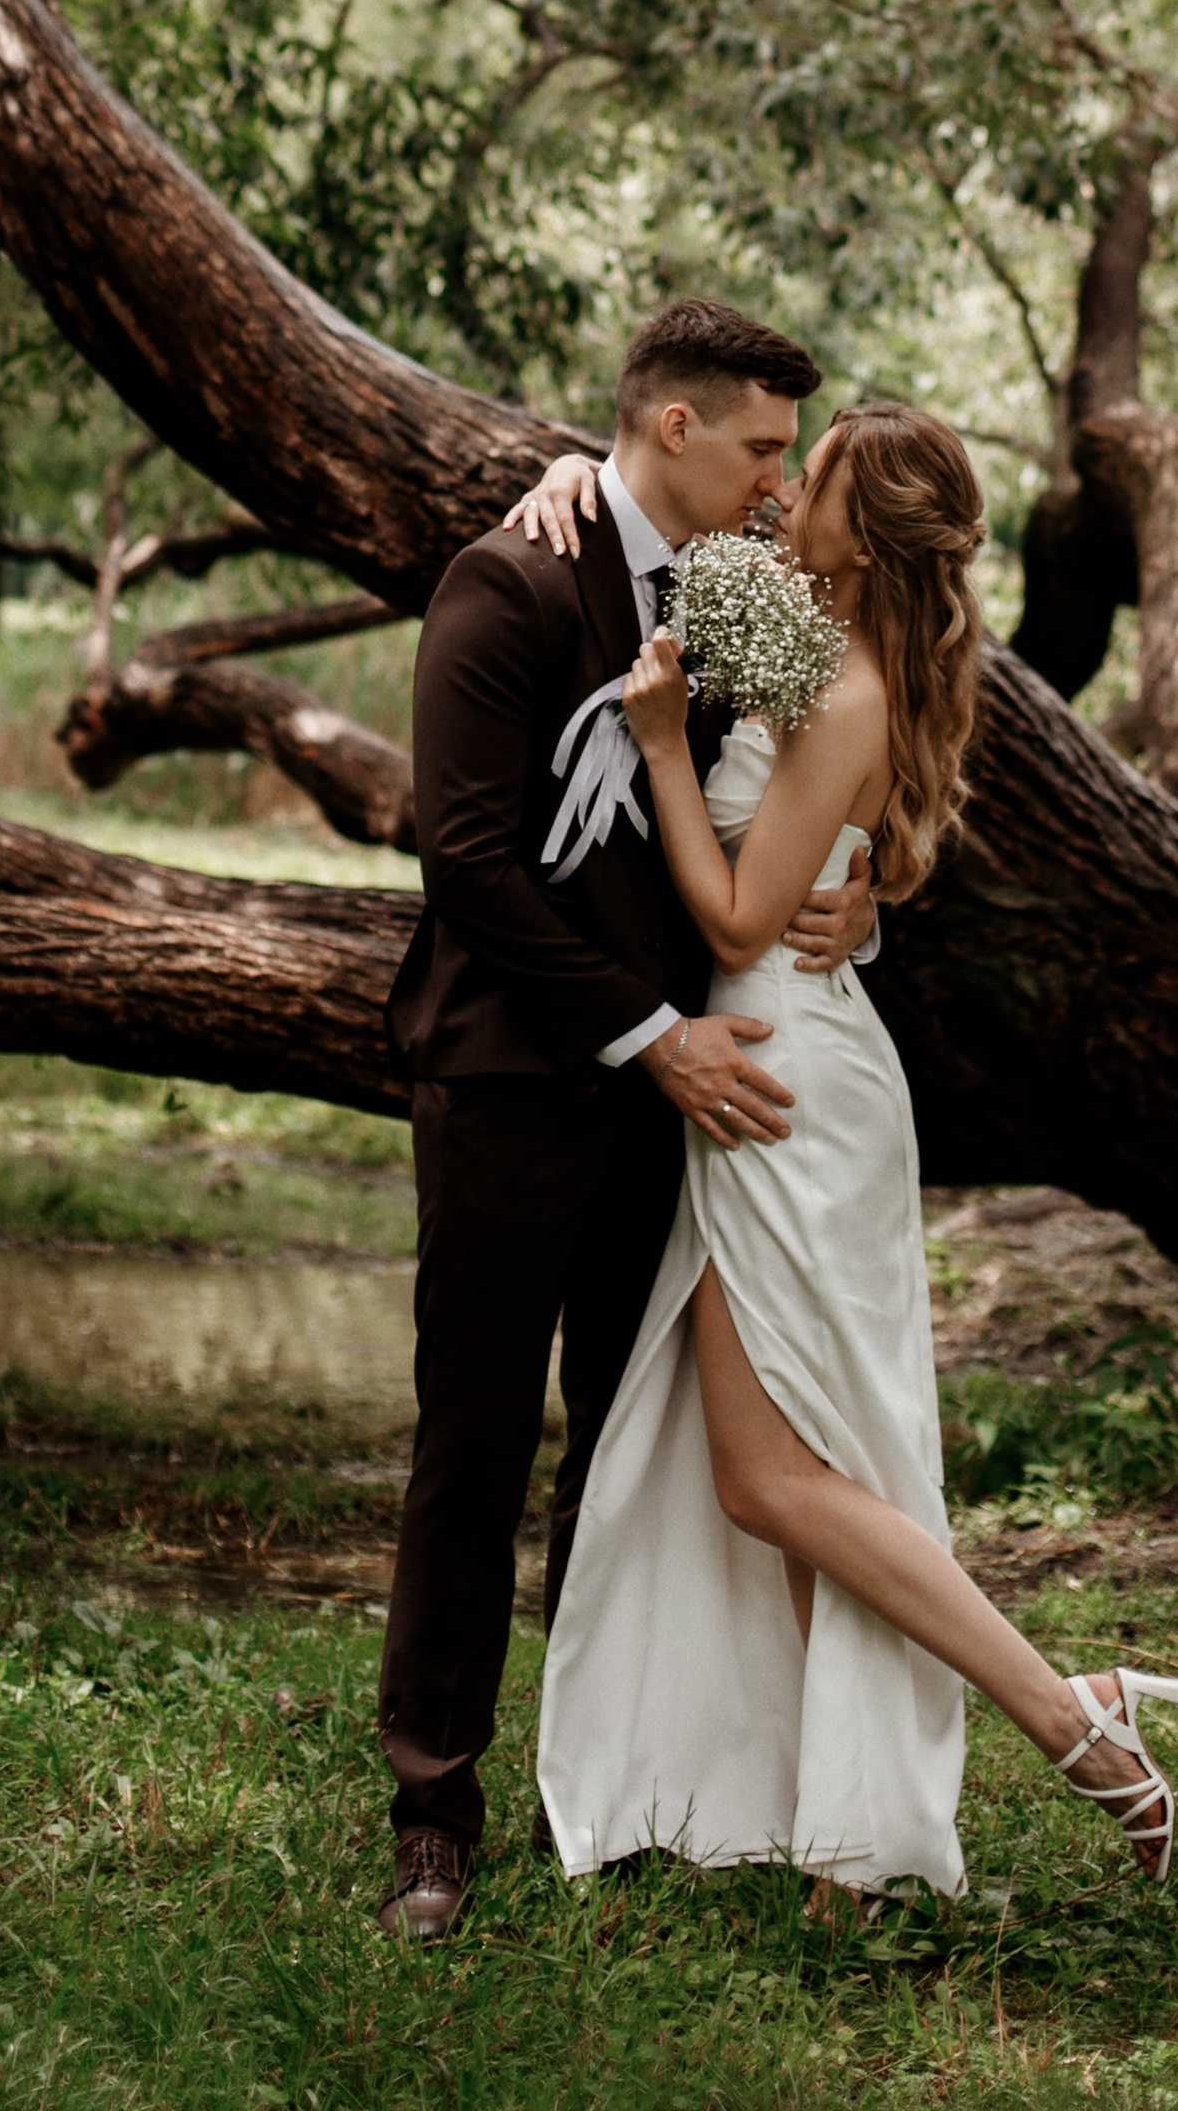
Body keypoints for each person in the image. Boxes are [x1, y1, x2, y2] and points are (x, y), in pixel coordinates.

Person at [519, 401, 1178, 1908]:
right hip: (788, 1058)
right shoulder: (801, 631)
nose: (781, 483)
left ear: (858, 524)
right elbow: (645, 502)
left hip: (783, 1081)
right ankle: (854, 1849)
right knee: (807, 1470)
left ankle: (1069, 1721)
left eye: (806, 472)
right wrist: (573, 467)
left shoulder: (844, 687)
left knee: (777, 1479)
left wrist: (659, 750)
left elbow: (743, 920)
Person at [373, 297, 881, 1942]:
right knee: (473, 1445)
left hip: (688, 1094)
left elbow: (837, 785)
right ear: (673, 429)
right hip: (519, 1078)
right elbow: (466, 858)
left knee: (626, 1445)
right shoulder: (508, 577)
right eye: (758, 446)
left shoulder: (748, 598)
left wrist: (867, 897)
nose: (775, 479)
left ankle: (585, 1779)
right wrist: (648, 1034)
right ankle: (431, 1811)